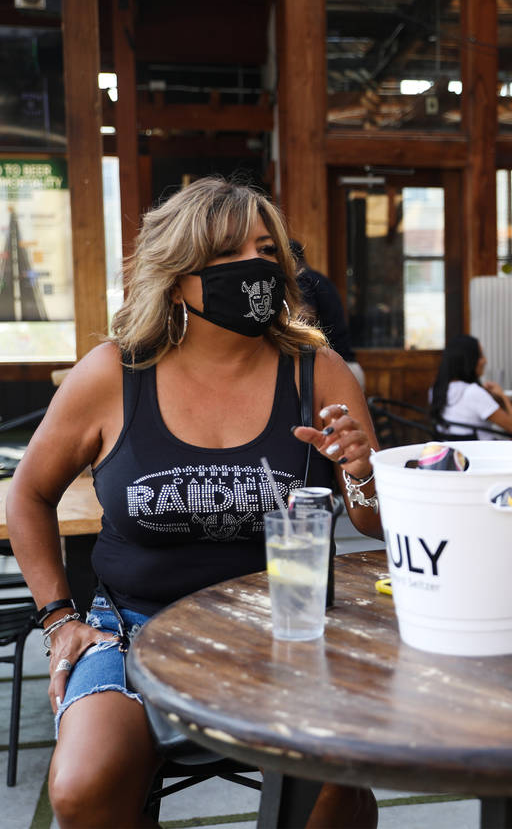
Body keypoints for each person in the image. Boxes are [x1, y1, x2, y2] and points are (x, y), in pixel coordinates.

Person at [7, 177, 382, 829]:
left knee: (332, 798)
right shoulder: (114, 373)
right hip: (131, 628)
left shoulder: (317, 369)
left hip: (283, 633)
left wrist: (362, 471)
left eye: (266, 249)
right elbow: (29, 493)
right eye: (227, 253)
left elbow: (371, 520)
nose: (254, 266)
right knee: (82, 785)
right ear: (177, 275)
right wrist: (58, 617)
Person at [290, 238, 365, 389]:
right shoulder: (323, 280)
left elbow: (305, 318)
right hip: (349, 367)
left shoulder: (302, 280)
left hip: (334, 371)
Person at [430, 334, 512, 439]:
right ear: (468, 360)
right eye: (480, 356)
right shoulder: (473, 393)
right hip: (483, 452)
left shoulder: (436, 389)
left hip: (453, 451)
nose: (485, 361)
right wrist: (503, 396)